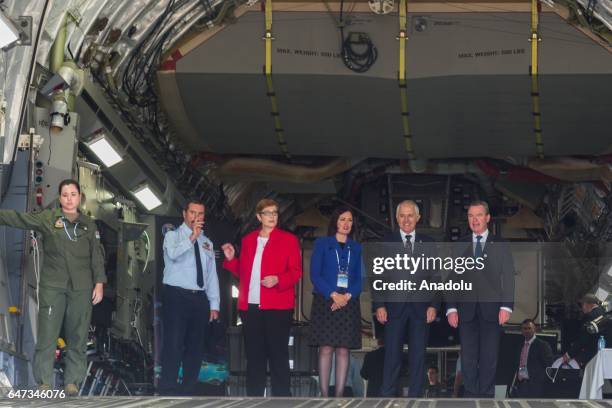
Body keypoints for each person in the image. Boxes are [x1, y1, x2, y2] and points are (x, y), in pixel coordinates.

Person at [0, 179, 106, 395]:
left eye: (73, 194)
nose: (69, 198)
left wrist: (100, 283)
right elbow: (21, 219)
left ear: (79, 197)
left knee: (77, 335)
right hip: (53, 285)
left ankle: (72, 382)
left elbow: (97, 256)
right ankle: (44, 382)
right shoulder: (49, 219)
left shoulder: (88, 225)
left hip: (82, 287)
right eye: (65, 194)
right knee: (48, 334)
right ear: (59, 198)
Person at [221, 198, 302, 396]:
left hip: (278, 307)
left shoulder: (289, 240)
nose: (272, 216)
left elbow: (296, 272)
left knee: (278, 356)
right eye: (268, 213)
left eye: (275, 212)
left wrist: (278, 279)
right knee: (254, 357)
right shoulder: (248, 240)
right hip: (251, 308)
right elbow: (245, 273)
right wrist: (232, 259)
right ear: (259, 216)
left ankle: (282, 401)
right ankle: (254, 400)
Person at [446, 200, 515, 397]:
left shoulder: (500, 244)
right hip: (465, 311)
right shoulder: (460, 245)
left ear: (487, 218)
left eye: (478, 215)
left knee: (489, 357)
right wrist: (451, 308)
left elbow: (508, 276)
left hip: (492, 310)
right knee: (467, 357)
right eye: (470, 216)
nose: (474, 220)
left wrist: (507, 307)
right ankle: (470, 396)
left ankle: (486, 397)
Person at [374, 200, 439, 397]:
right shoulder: (386, 242)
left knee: (418, 356)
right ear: (396, 218)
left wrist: (434, 306)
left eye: (410, 215)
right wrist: (379, 305)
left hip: (421, 309)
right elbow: (378, 276)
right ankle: (386, 397)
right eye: (402, 215)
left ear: (418, 218)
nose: (406, 219)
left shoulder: (428, 243)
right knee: (392, 355)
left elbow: (435, 276)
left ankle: (415, 399)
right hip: (394, 308)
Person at [159, 199, 220, 395]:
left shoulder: (207, 242)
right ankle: (168, 388)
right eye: (193, 213)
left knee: (196, 346)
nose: (196, 217)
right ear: (184, 214)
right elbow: (174, 255)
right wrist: (191, 238)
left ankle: (188, 389)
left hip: (199, 298)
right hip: (176, 295)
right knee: (174, 343)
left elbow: (211, 275)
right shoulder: (172, 236)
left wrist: (214, 304)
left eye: (200, 214)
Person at [309, 207, 363, 397]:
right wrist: (333, 294)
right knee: (325, 348)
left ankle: (339, 396)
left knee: (343, 349)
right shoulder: (322, 243)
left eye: (349, 220)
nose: (346, 223)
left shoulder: (356, 248)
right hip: (326, 300)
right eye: (342, 219)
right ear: (335, 222)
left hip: (348, 302)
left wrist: (346, 296)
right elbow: (315, 275)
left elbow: (360, 279)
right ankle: (324, 395)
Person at [509, 319, 553, 398]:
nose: (527, 331)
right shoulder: (519, 345)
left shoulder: (543, 345)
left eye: (529, 328)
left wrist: (540, 382)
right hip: (521, 385)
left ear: (534, 329)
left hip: (536, 386)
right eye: (525, 329)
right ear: (521, 330)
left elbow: (549, 366)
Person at [562, 294, 606, 368]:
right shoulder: (604, 313)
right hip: (604, 354)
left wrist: (569, 354)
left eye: (582, 305)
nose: (581, 308)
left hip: (592, 356)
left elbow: (584, 337)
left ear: (586, 304)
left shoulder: (590, 316)